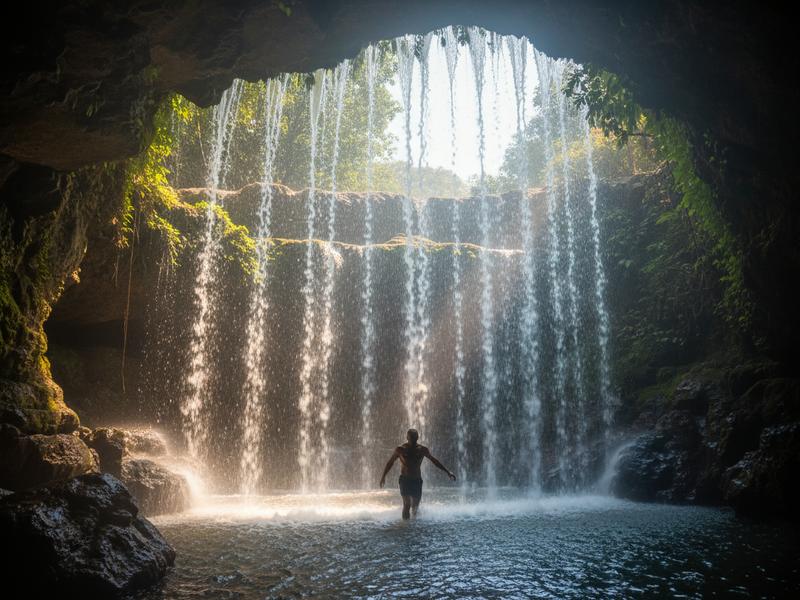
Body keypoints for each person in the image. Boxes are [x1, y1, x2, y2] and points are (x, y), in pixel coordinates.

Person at [379, 428, 456, 519]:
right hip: (405, 480)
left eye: (414, 437)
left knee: (415, 507)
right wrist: (383, 476)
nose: (412, 439)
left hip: (416, 480)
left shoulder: (422, 450)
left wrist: (447, 472)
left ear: (417, 438)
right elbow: (390, 462)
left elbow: (434, 461)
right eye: (411, 437)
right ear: (407, 437)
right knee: (407, 504)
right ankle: (406, 526)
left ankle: (414, 528)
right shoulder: (400, 449)